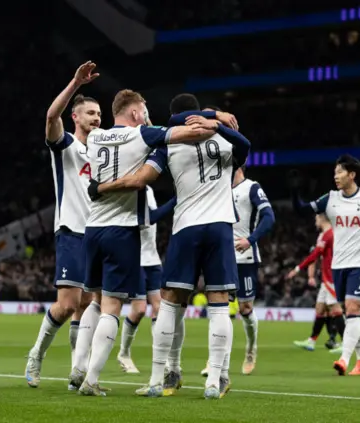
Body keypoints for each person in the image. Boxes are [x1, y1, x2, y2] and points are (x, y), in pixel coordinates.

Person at [92, 93, 249, 399]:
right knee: (218, 304)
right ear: (198, 111)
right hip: (220, 227)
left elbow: (145, 176)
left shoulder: (169, 143)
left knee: (169, 303)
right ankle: (214, 382)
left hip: (186, 227)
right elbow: (246, 145)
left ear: (174, 114)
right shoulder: (226, 140)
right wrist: (215, 119)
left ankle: (157, 378)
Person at [25, 61, 103, 388]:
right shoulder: (67, 146)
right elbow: (50, 117)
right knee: (68, 304)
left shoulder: (104, 152)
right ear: (76, 117)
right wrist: (74, 83)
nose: (97, 118)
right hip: (71, 230)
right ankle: (36, 355)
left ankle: (77, 370)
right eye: (90, 114)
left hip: (98, 234)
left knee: (86, 306)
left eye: (100, 114)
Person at [292, 154, 360, 376]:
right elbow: (302, 210)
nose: (335, 176)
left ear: (352, 175)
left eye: (339, 172)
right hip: (338, 265)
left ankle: (344, 359)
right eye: (334, 173)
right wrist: (294, 190)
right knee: (351, 315)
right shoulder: (330, 199)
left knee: (353, 309)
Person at [201, 164, 275, 376]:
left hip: (246, 257)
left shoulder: (252, 188)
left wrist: (250, 240)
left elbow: (269, 216)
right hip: (222, 256)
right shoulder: (218, 187)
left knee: (245, 309)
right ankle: (215, 359)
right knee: (219, 308)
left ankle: (251, 350)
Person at [117, 186, 176, 373]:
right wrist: (177, 199)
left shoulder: (149, 189)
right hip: (135, 258)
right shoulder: (131, 188)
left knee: (159, 306)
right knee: (140, 309)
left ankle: (161, 358)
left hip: (152, 257)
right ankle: (124, 353)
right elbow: (150, 217)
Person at [287, 214, 345, 353]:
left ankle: (346, 343)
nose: (315, 222)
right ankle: (312, 341)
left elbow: (315, 255)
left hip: (332, 277)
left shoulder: (328, 235)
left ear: (322, 219)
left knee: (335, 309)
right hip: (326, 278)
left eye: (316, 219)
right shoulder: (328, 234)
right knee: (320, 308)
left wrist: (298, 268)